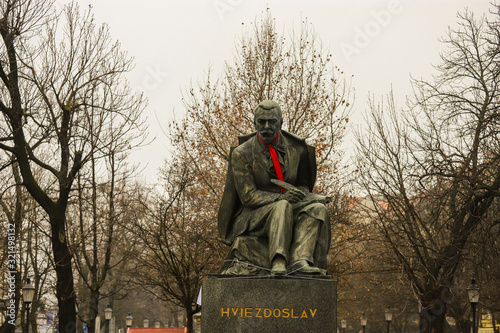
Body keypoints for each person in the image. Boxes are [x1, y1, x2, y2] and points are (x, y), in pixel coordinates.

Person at [218, 100, 331, 275]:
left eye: (272, 121)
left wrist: (306, 195)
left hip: (290, 205)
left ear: (281, 122)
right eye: (261, 122)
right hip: (254, 216)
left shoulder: (296, 149)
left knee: (318, 210)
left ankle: (301, 260)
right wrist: (281, 198)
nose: (267, 126)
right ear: (254, 123)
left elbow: (302, 182)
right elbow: (248, 196)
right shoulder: (242, 153)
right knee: (282, 206)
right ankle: (278, 260)